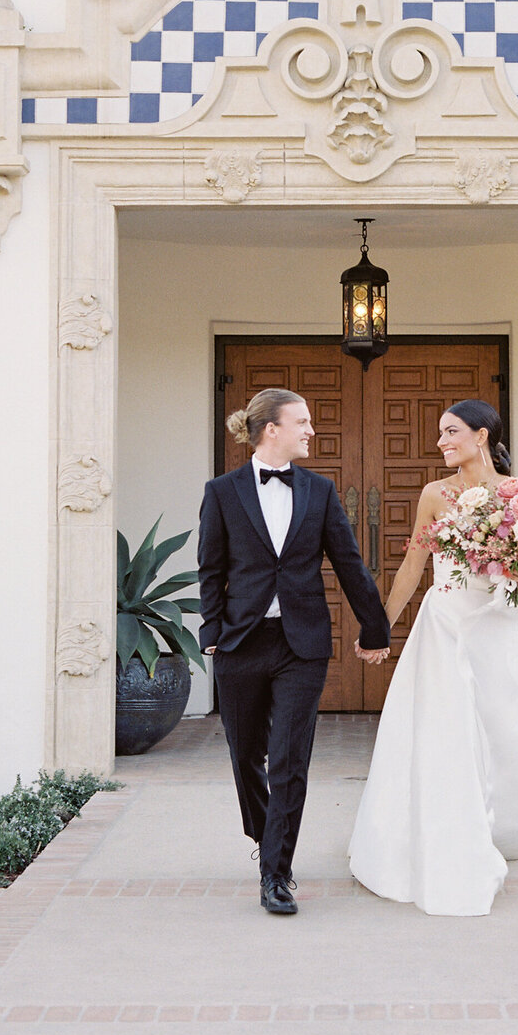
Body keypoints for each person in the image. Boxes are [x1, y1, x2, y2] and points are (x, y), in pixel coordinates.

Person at [348, 398, 518, 916]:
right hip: (445, 625)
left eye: (450, 431)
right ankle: (448, 826)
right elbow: (414, 565)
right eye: (440, 433)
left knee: (498, 723)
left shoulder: (517, 496)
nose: (441, 442)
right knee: (446, 727)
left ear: (481, 435)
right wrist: (379, 628)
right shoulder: (435, 494)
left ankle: (503, 823)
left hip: (494, 627)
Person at [198, 387, 391, 916]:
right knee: (245, 756)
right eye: (301, 421)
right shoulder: (222, 492)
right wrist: (210, 628)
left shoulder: (319, 491)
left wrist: (375, 628)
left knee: (289, 758)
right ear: (271, 430)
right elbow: (211, 567)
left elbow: (350, 563)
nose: (311, 430)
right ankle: (265, 832)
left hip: (301, 645)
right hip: (240, 642)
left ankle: (276, 873)